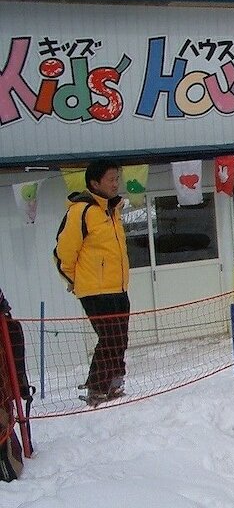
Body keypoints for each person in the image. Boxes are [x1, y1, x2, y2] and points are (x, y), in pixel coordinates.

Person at [54, 159, 130, 406]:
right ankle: (97, 388)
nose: (115, 184)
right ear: (94, 183)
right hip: (95, 291)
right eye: (111, 179)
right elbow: (63, 253)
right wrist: (76, 281)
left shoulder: (112, 211)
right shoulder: (81, 211)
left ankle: (115, 383)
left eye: (117, 178)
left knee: (120, 337)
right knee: (109, 338)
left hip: (118, 287)